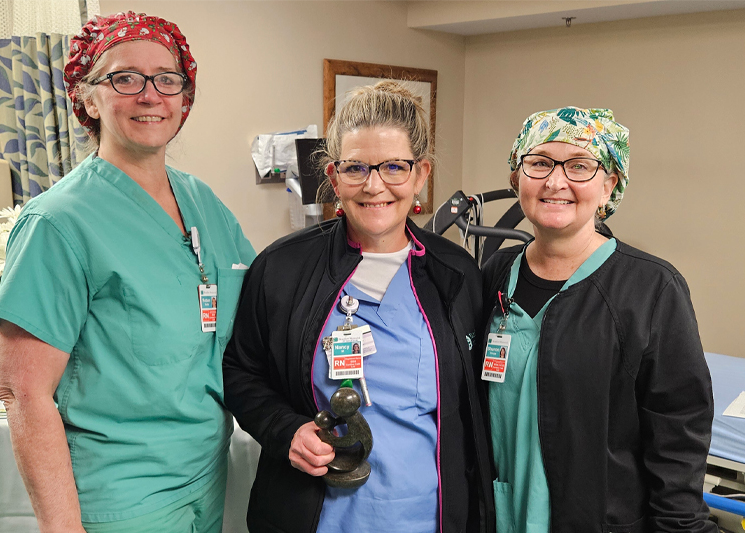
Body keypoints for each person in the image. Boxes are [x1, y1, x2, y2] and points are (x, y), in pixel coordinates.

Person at [0, 12, 255, 533]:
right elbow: (22, 392)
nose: (150, 95)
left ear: (183, 96)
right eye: (124, 78)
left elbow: (257, 311)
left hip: (205, 479)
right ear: (88, 98)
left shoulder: (204, 203)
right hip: (121, 497)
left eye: (167, 79)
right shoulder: (58, 223)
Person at [223, 81, 495, 533]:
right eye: (355, 168)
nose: (374, 186)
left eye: (394, 167)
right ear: (333, 177)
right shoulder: (281, 268)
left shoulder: (456, 273)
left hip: (427, 515)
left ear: (421, 175)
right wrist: (285, 430)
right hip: (312, 516)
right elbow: (240, 372)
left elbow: (475, 410)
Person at [481, 107, 715, 532]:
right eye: (539, 163)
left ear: (609, 185)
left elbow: (678, 434)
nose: (555, 181)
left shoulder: (650, 288)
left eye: (580, 166)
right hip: (499, 516)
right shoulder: (495, 275)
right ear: (517, 178)